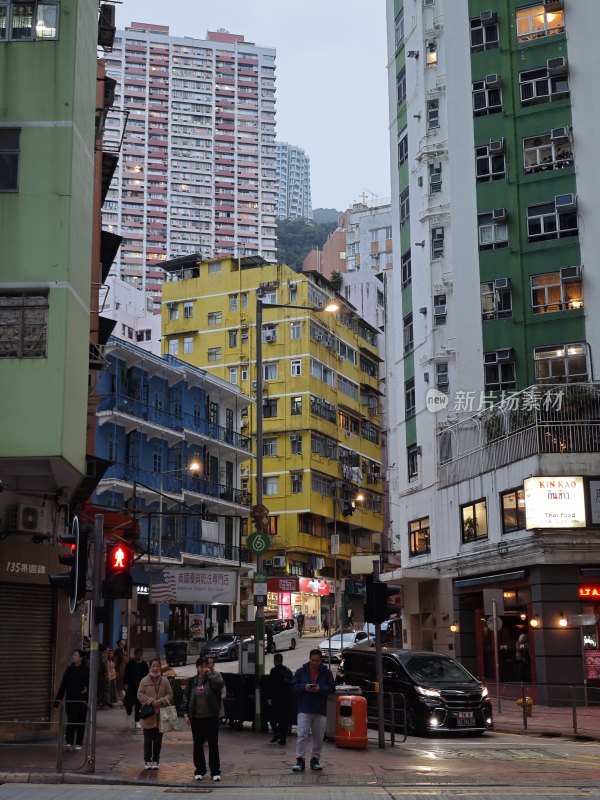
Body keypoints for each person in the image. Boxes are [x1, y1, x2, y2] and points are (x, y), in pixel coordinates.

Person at [291, 648, 335, 772]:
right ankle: (300, 760)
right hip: (304, 708)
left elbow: (332, 688)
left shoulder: (326, 673)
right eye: (313, 660)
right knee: (302, 734)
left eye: (317, 661)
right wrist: (305, 687)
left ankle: (315, 759)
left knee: (319, 737)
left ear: (321, 660)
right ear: (309, 659)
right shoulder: (301, 671)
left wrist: (319, 689)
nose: (315, 663)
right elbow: (293, 686)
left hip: (320, 709)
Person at [182, 656, 225, 782]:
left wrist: (210, 674)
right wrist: (185, 712)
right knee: (198, 745)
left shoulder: (213, 679)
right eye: (200, 666)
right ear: (197, 667)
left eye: (205, 665)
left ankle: (215, 771)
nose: (202, 668)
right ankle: (199, 770)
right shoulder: (192, 681)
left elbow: (220, 684)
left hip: (211, 717)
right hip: (196, 718)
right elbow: (186, 697)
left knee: (213, 744)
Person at [137, 658, 173, 770]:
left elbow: (170, 694)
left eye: (158, 666)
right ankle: (147, 760)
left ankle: (156, 760)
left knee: (158, 740)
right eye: (153, 666)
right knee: (147, 740)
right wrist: (151, 701)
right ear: (150, 667)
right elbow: (140, 695)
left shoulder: (165, 681)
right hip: (149, 715)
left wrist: (161, 701)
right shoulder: (144, 681)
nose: (156, 668)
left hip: (162, 715)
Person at [54, 649, 90, 750]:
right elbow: (63, 685)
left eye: (75, 655)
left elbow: (89, 683)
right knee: (71, 721)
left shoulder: (86, 670)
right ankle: (69, 742)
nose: (73, 656)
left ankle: (79, 743)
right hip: (70, 700)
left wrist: (86, 688)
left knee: (80, 722)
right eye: (73, 654)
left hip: (82, 701)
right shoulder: (69, 670)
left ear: (81, 658)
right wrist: (58, 700)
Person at [266, 652, 294, 746]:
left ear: (275, 661)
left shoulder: (273, 671)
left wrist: (269, 697)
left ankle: (276, 732)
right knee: (284, 719)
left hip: (276, 698)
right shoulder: (287, 671)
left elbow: (270, 685)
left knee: (272, 716)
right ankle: (283, 738)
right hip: (286, 699)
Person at [123, 648, 149, 728]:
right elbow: (125, 674)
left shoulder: (144, 665)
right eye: (137, 654)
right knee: (129, 703)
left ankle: (137, 721)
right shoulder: (130, 664)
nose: (139, 656)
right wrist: (125, 684)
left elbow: (147, 677)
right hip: (131, 687)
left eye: (140, 654)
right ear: (134, 655)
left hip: (140, 688)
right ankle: (128, 713)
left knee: (138, 705)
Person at [207, 656, 227, 721]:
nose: (209, 665)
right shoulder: (203, 674)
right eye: (207, 663)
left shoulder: (217, 674)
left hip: (215, 698)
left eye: (210, 663)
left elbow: (222, 685)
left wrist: (223, 694)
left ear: (213, 664)